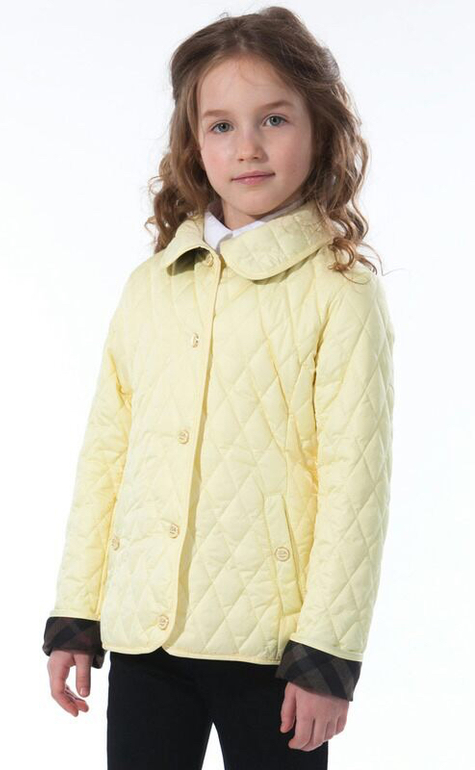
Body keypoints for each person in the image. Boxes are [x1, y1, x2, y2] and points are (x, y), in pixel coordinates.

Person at [42, 6, 395, 769]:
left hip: (274, 652)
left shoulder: (339, 292)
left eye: (274, 119)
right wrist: (77, 612)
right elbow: (106, 457)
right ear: (192, 142)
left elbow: (354, 486)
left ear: (321, 128)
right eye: (221, 125)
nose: (248, 147)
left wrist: (327, 653)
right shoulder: (151, 287)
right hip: (146, 637)